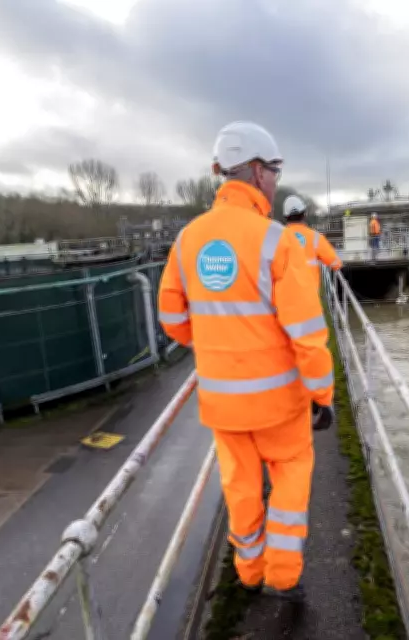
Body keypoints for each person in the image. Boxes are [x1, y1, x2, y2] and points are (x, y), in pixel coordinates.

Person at [157, 121, 335, 602]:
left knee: (239, 486)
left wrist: (217, 342)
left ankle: (250, 571)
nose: (276, 180)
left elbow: (171, 319)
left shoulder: (188, 240)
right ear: (256, 172)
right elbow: (307, 335)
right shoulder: (276, 241)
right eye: (274, 170)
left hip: (222, 404)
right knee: (291, 478)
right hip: (280, 404)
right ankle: (281, 576)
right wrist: (323, 395)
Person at [282, 194, 342, 291]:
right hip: (310, 297)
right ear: (304, 214)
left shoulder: (277, 237)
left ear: (285, 217)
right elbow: (336, 263)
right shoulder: (315, 237)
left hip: (285, 299)